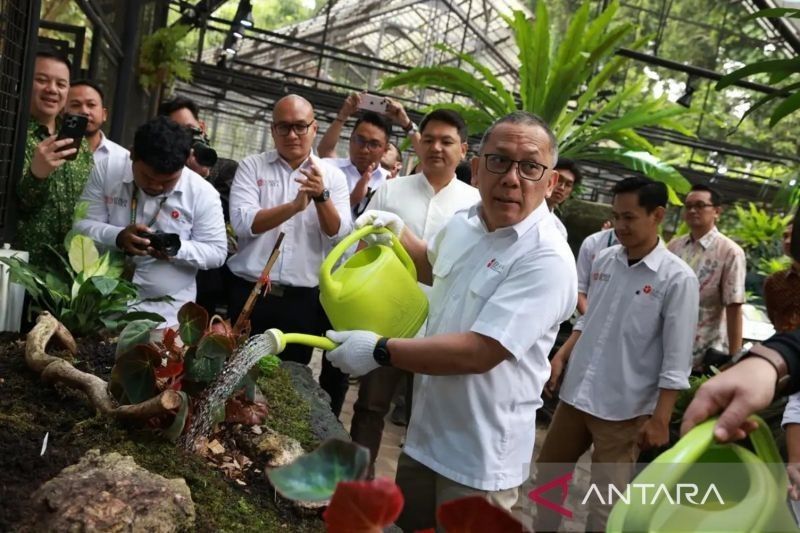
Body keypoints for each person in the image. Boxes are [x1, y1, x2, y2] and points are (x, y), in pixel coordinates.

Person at [324, 111, 577, 531]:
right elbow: (431, 266)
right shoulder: (465, 224)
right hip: (426, 437)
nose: (512, 178)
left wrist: (380, 350)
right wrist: (397, 232)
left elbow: (480, 352)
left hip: (481, 461)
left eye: (530, 166)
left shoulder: (546, 258)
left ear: (550, 183)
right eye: (498, 161)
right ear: (476, 169)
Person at [536, 177, 698, 532]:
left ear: (657, 215)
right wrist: (561, 357)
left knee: (605, 504)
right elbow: (589, 320)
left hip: (625, 408)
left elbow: (677, 356)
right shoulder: (605, 259)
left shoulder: (677, 279)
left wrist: (660, 417)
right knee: (548, 481)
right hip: (576, 396)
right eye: (615, 216)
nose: (619, 226)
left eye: (629, 217)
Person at [349, 109, 480, 476]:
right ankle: (358, 485)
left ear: (463, 149)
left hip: (445, 326)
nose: (436, 147)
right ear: (418, 143)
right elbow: (361, 246)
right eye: (429, 139)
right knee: (370, 406)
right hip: (387, 320)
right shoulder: (391, 190)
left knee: (429, 416)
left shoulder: (475, 205)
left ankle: (413, 498)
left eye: (447, 141)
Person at [227, 95, 352, 416]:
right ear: (273, 130)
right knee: (237, 376)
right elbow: (243, 224)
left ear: (314, 128)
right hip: (251, 292)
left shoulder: (333, 177)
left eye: (300, 127)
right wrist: (294, 207)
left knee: (288, 381)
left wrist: (321, 196)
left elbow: (340, 236)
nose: (292, 135)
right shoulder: (252, 167)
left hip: (303, 301)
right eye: (284, 127)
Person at [74, 116, 227, 327]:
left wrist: (175, 249)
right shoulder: (107, 170)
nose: (155, 186)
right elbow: (80, 226)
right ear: (132, 154)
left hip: (166, 317)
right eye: (146, 177)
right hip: (100, 308)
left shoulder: (203, 194)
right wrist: (117, 237)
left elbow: (217, 252)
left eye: (167, 182)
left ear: (184, 165)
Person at [158, 95, 239, 316]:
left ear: (201, 127)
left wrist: (199, 179)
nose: (187, 139)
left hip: (205, 278)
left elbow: (222, 215)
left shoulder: (225, 168)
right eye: (178, 132)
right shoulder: (159, 169)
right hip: (162, 271)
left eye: (190, 129)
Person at [15, 50, 94, 265]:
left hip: (69, 270)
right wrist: (36, 175)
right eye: (41, 80)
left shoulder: (81, 146)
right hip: (20, 266)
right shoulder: (10, 134)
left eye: (61, 84)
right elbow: (18, 205)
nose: (52, 89)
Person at [668, 184, 746, 370]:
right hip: (665, 344)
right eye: (688, 206)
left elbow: (734, 305)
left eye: (700, 205)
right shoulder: (674, 247)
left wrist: (734, 358)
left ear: (717, 211)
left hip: (702, 354)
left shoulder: (730, 252)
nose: (693, 210)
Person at [317, 93, 420, 216]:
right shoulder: (329, 169)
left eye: (374, 144)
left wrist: (407, 124)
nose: (365, 150)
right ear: (351, 138)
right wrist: (352, 199)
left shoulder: (392, 184)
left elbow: (428, 161)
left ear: (385, 149)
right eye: (360, 140)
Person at [66, 79, 128, 166]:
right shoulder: (51, 152)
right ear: (62, 112)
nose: (84, 111)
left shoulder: (124, 159)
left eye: (91, 105)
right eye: (75, 105)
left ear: (104, 114)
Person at [764, 221, 800, 334]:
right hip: (786, 347)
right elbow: (775, 322)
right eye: (785, 236)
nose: (788, 241)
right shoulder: (774, 281)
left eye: (793, 236)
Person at [575, 225, 619, 315]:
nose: (621, 224)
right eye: (617, 217)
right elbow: (579, 289)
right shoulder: (592, 243)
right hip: (588, 319)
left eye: (629, 217)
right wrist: (589, 320)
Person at [546, 158, 582, 239]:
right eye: (559, 179)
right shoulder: (519, 212)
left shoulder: (559, 230)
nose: (562, 187)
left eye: (568, 185)